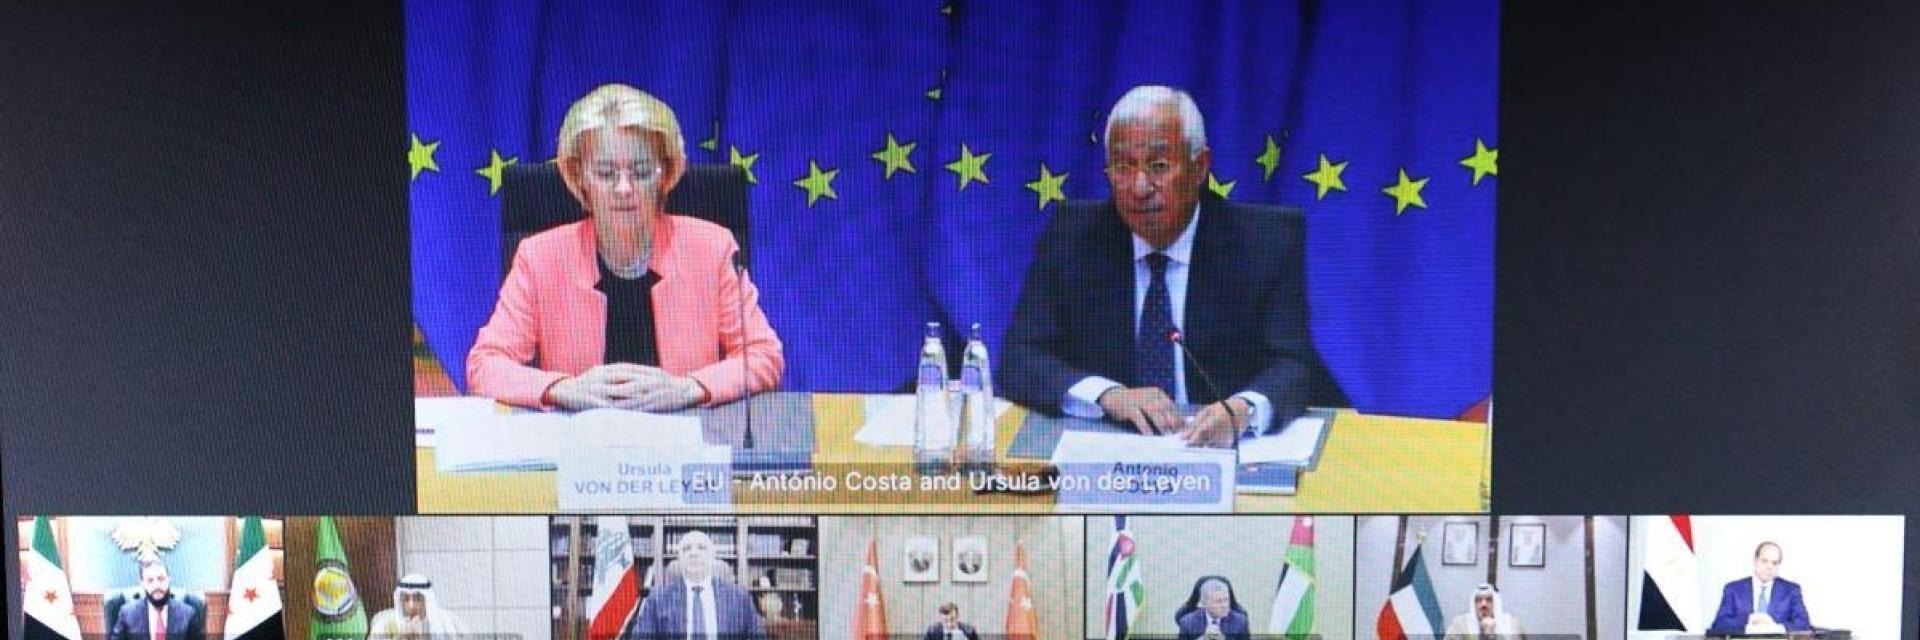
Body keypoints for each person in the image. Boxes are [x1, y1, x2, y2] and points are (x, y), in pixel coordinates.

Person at [1000, 85, 1339, 447]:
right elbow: (1020, 359)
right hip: (1112, 449)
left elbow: (1294, 365)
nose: (1140, 186)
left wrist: (1243, 410)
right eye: (1122, 167)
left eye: (1158, 166)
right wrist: (1109, 396)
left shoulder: (1265, 242)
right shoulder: (1073, 237)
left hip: (1223, 451)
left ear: (1199, 168)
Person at [467, 83, 783, 411]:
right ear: (579, 178)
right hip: (581, 446)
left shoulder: (711, 249)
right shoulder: (542, 257)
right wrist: (562, 388)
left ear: (665, 175)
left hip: (684, 444)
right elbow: (485, 364)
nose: (624, 188)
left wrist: (689, 388)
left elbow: (763, 356)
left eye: (641, 172)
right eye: (605, 173)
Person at [625, 531, 768, 640]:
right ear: (679, 559)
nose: (694, 553)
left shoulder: (738, 598)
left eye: (701, 548)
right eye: (687, 549)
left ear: (713, 558)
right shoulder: (658, 599)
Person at [1708, 541, 1811, 633]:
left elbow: (1804, 624)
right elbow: (1719, 624)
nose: (1769, 567)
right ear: (1755, 561)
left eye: (1774, 563)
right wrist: (1748, 619)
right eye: (1764, 561)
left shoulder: (1791, 590)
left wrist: (1775, 626)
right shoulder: (1733, 589)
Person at [109, 559, 204, 640]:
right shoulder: (127, 614)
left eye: (161, 579)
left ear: (169, 579)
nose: (157, 585)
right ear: (143, 583)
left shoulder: (188, 615)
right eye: (150, 580)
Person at [369, 573, 470, 639]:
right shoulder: (384, 625)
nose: (411, 606)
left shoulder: (449, 623)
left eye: (417, 599)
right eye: (406, 599)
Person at [1175, 577, 1250, 640]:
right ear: (1204, 603)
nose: (1224, 605)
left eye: (1226, 600)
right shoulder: (1187, 623)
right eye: (1218, 601)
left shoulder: (1240, 622)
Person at [1443, 583, 1525, 638]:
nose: (1483, 604)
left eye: (1489, 600)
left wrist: (1493, 635)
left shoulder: (1511, 624)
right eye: (1478, 600)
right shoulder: (1460, 625)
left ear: (1496, 603)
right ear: (1473, 604)